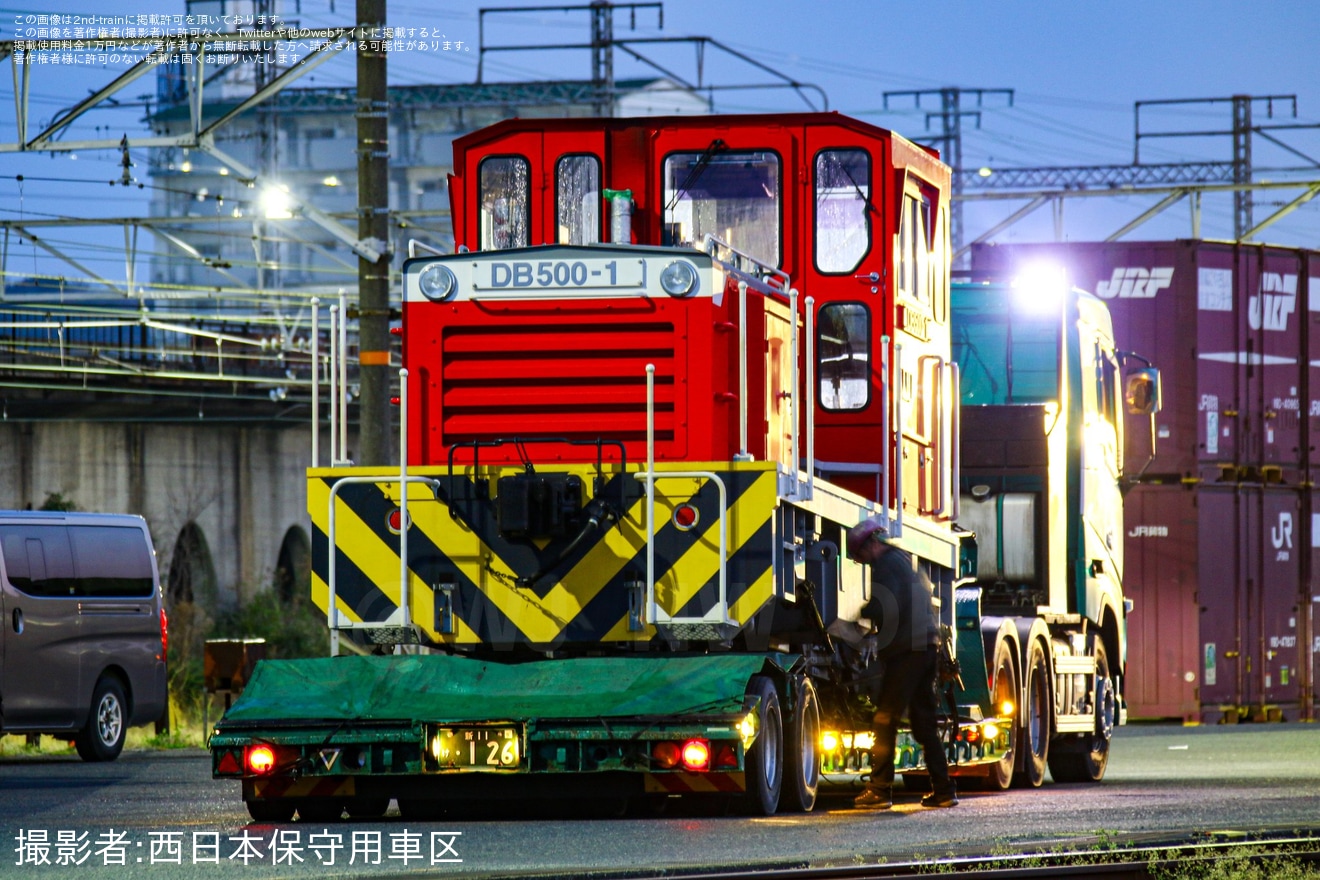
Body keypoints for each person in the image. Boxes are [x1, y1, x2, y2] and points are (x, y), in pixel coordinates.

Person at [846, 516, 957, 809]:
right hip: (926, 647)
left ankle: (880, 790)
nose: (862, 561)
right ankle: (944, 791)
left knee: (885, 718)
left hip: (906, 651)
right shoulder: (904, 560)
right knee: (924, 722)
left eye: (860, 555)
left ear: (870, 545)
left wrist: (862, 612)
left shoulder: (884, 566)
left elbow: (887, 604)